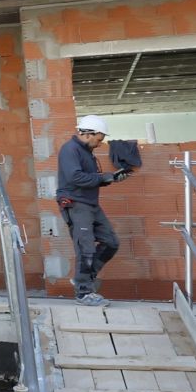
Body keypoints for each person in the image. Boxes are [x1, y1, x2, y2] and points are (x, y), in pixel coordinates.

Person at [57, 113, 129, 304]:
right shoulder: (70, 149)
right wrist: (103, 178)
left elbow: (90, 179)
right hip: (75, 203)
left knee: (111, 242)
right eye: (99, 139)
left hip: (90, 203)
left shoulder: (86, 151)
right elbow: (75, 177)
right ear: (88, 134)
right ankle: (83, 293)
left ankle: (85, 278)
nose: (100, 143)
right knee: (86, 247)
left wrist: (110, 179)